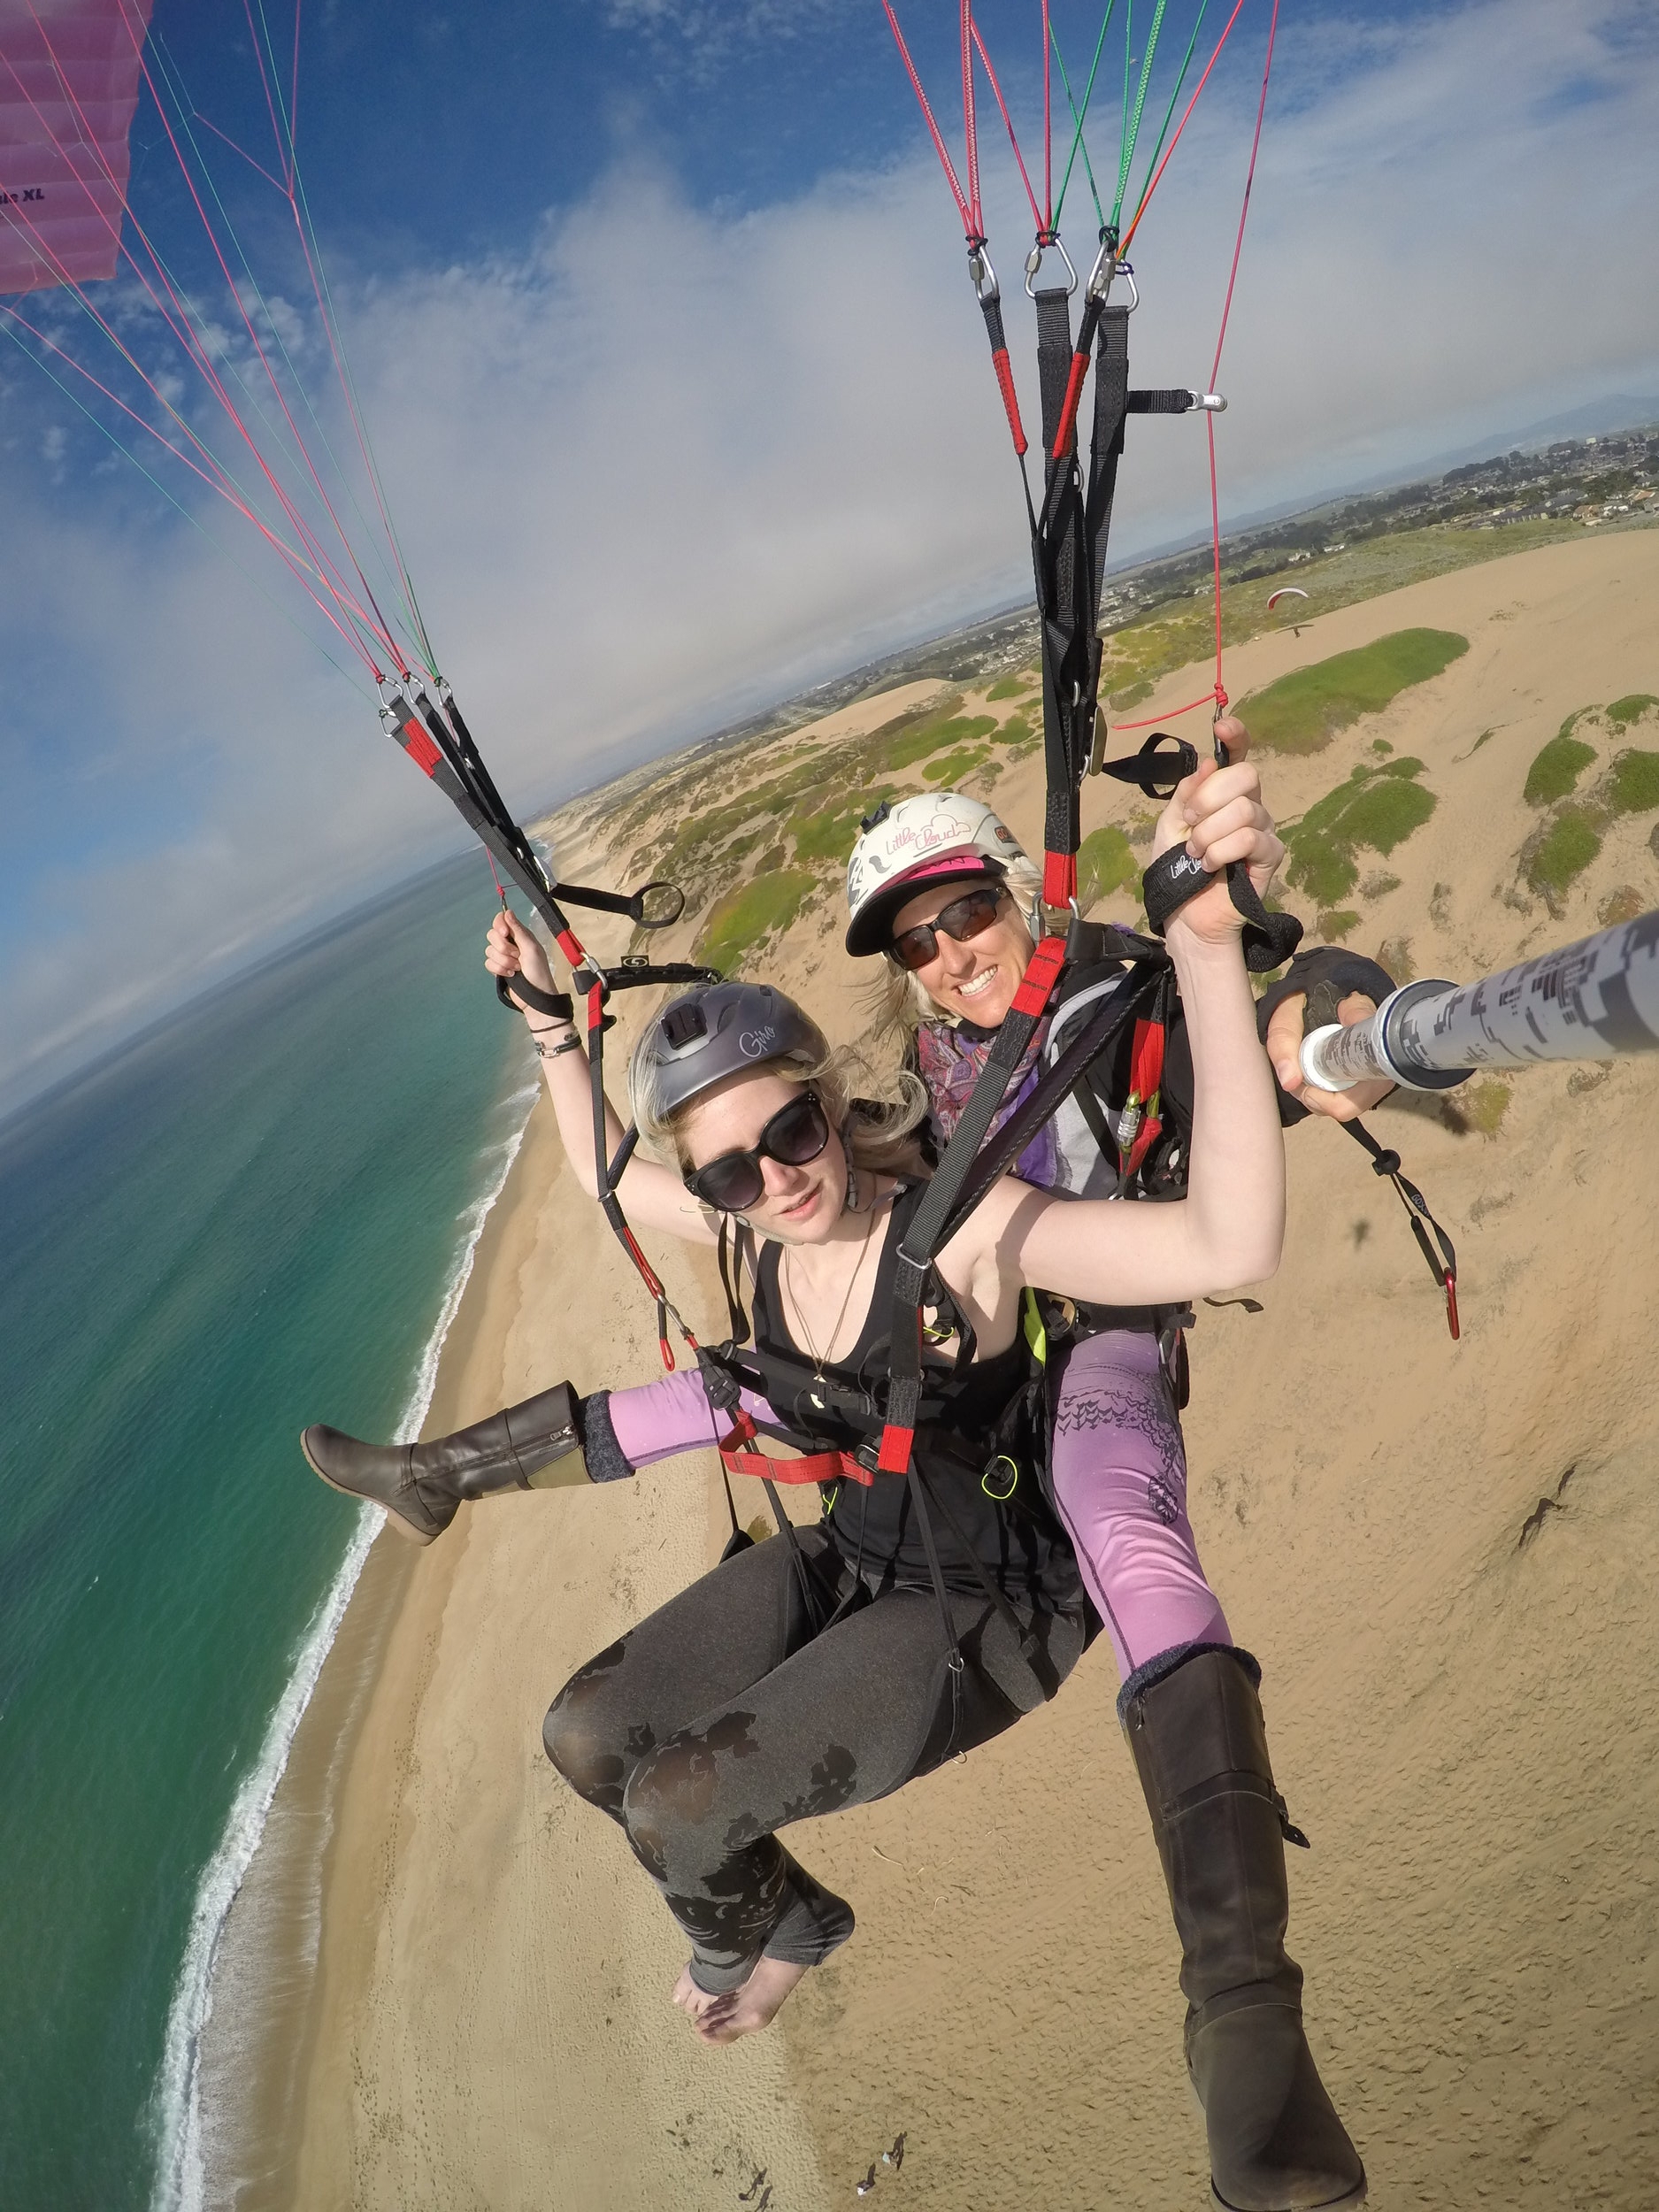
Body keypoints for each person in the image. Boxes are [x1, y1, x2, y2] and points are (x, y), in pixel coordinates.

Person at [303, 753, 1367, 2209]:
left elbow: (1224, 1249)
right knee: (582, 1731)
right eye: (731, 1171)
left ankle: (1239, 2017)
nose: (774, 1181)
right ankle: (784, 1914)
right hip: (849, 1556)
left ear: (827, 1101)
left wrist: (1202, 949)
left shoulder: (969, 1225)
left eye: (792, 1136)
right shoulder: (746, 1236)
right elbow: (608, 1176)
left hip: (975, 1601)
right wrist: (556, 1032)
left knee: (678, 1809)